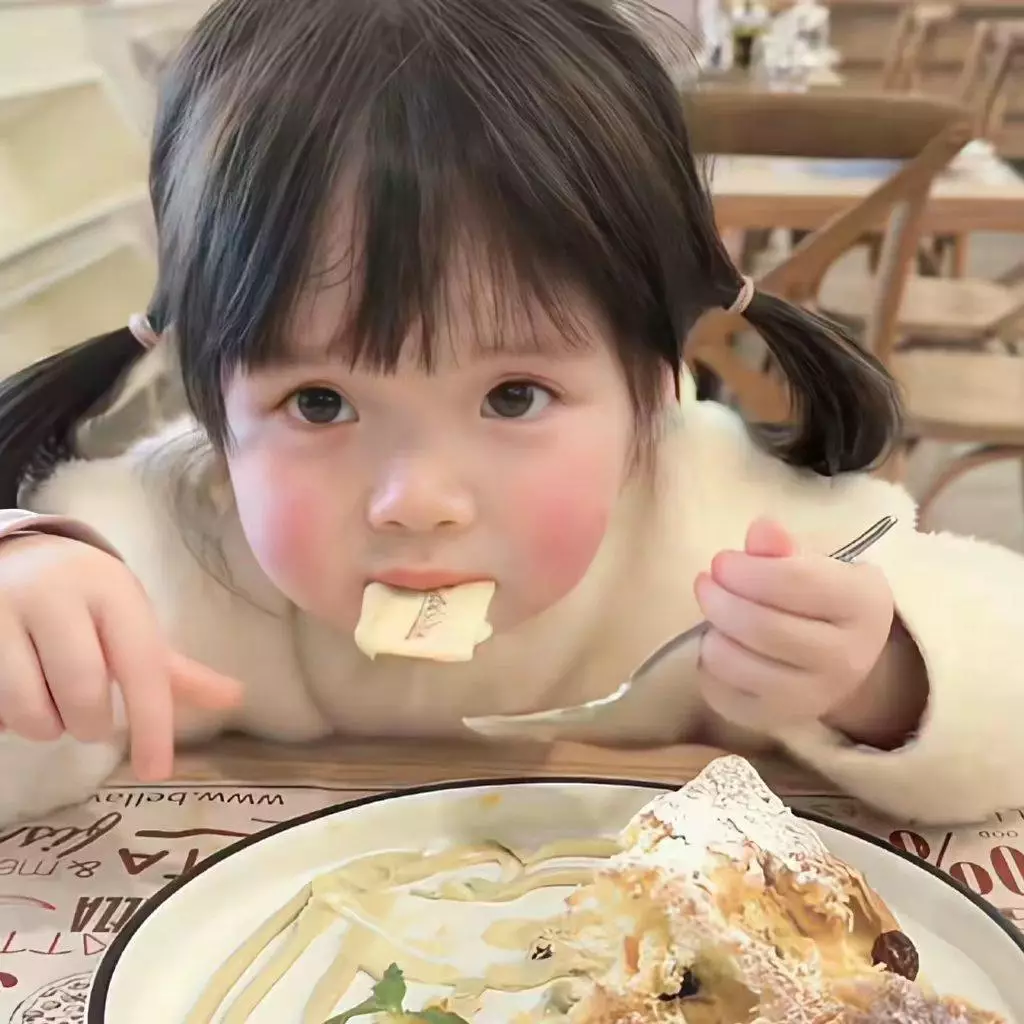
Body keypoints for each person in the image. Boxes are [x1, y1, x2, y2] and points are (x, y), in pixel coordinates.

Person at [0, 0, 1021, 830]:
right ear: (212, 404)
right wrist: (27, 603)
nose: (418, 501)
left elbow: (999, 659)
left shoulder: (717, 527)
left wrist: (889, 676)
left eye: (512, 396)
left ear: (652, 384)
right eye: (319, 402)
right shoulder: (162, 542)